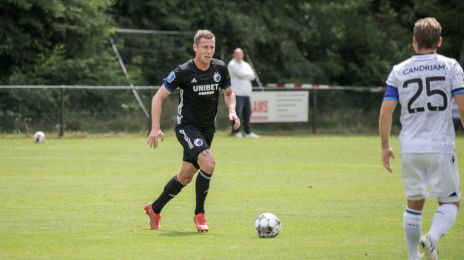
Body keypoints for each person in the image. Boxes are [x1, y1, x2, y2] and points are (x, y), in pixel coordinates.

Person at [379, 17, 464, 260]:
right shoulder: (451, 66)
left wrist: (385, 147)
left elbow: (386, 112)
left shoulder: (399, 70)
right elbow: (462, 105)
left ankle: (412, 256)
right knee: (450, 203)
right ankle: (433, 237)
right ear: (439, 41)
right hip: (441, 145)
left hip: (410, 147)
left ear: (413, 41)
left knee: (413, 203)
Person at [145, 29, 240, 232]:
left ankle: (155, 208)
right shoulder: (183, 71)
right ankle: (200, 214)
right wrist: (155, 128)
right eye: (205, 47)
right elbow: (157, 97)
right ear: (195, 48)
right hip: (187, 127)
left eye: (212, 47)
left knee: (185, 176)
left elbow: (230, 94)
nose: (209, 51)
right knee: (209, 162)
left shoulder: (220, 69)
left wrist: (232, 111)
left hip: (207, 130)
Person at [228, 48, 259, 138]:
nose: (239, 56)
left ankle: (248, 132)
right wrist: (247, 74)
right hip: (237, 93)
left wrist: (246, 74)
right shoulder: (232, 64)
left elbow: (252, 75)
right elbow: (240, 74)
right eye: (237, 54)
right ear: (234, 55)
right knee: (237, 113)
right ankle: (236, 132)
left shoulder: (246, 64)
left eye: (241, 54)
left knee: (247, 113)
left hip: (246, 93)